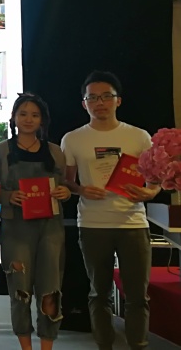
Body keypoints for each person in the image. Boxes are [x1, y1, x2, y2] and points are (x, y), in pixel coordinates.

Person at [60, 71, 159, 350]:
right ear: (84, 104)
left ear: (118, 100)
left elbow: (154, 179)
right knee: (98, 293)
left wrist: (150, 192)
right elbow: (67, 182)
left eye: (106, 96)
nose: (99, 102)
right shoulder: (73, 139)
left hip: (132, 222)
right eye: (92, 98)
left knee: (138, 296)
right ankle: (104, 345)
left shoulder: (139, 137)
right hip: (93, 224)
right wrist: (81, 190)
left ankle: (138, 344)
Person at [0, 94, 70, 350]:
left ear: (42, 121)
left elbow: (64, 185)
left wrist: (65, 192)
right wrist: (7, 196)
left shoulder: (55, 152)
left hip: (51, 228)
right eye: (23, 114)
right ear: (14, 118)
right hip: (15, 228)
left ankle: (47, 346)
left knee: (51, 288)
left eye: (35, 115)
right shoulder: (1, 151)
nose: (28, 119)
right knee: (20, 289)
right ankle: (26, 347)